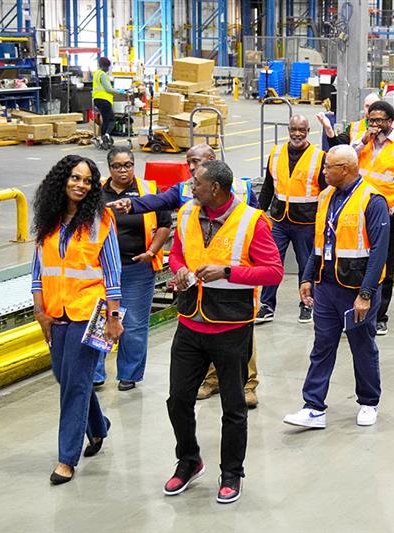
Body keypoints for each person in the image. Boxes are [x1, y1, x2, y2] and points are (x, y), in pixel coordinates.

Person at [106, 143, 262, 408]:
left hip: (232, 281)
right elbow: (158, 201)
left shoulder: (241, 189)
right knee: (205, 333)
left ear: (211, 160)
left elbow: (256, 226)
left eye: (196, 162)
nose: (190, 168)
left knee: (239, 338)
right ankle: (211, 381)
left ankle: (248, 385)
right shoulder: (185, 189)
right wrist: (131, 205)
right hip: (197, 281)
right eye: (188, 162)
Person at [163, 160, 282, 503]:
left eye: (196, 182)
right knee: (178, 399)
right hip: (190, 323)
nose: (191, 187)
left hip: (231, 328)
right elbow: (176, 254)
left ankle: (232, 472)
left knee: (233, 406)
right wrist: (180, 270)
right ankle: (189, 460)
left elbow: (273, 271)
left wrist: (228, 271)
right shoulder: (187, 213)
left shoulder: (251, 221)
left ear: (215, 188)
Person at [30, 155, 123, 484]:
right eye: (75, 177)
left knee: (76, 385)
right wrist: (40, 311)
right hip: (56, 312)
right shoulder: (49, 218)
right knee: (66, 377)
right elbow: (38, 269)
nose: (81, 185)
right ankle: (97, 427)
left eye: (87, 180)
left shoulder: (101, 219)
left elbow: (113, 272)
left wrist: (113, 316)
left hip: (90, 312)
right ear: (62, 179)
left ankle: (66, 459)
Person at [283, 145, 389, 429]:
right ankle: (313, 406)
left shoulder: (372, 200)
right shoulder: (325, 196)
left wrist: (365, 294)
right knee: (322, 345)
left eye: (328, 167)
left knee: (362, 346)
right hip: (326, 286)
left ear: (345, 169)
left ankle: (369, 401)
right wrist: (307, 277)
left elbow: (379, 253)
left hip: (356, 289)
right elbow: (319, 242)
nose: (323, 172)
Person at [334, 100, 394, 335]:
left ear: (391, 121)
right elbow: (345, 160)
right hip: (357, 211)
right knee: (355, 259)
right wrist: (362, 141)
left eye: (380, 120)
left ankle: (380, 315)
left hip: (386, 213)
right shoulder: (362, 142)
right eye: (372, 120)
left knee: (383, 263)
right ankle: (351, 310)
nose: (376, 125)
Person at [95, 147, 170, 390]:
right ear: (109, 168)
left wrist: (152, 252)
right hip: (102, 269)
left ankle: (129, 374)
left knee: (135, 322)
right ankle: (95, 374)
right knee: (99, 318)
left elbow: (164, 224)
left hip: (137, 268)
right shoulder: (97, 192)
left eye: (128, 165)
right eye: (117, 166)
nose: (123, 170)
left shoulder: (148, 190)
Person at [257, 115, 327, 324]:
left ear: (308, 131)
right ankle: (267, 305)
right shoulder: (276, 153)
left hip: (306, 222)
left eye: (301, 130)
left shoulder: (318, 157)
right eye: (293, 129)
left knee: (306, 265)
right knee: (272, 261)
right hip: (279, 220)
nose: (297, 134)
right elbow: (268, 186)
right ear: (288, 130)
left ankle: (306, 304)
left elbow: (326, 192)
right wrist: (259, 213)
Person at [316, 92, 381, 146]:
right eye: (367, 106)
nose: (370, 109)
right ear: (363, 107)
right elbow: (337, 145)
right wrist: (329, 129)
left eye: (374, 106)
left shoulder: (385, 127)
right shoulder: (354, 127)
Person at [92, 57, 126, 146]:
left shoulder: (96, 73)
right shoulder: (103, 74)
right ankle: (106, 136)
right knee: (111, 120)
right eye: (107, 67)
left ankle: (104, 139)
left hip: (97, 99)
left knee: (106, 120)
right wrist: (119, 91)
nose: (108, 69)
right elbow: (108, 89)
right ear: (104, 66)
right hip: (104, 100)